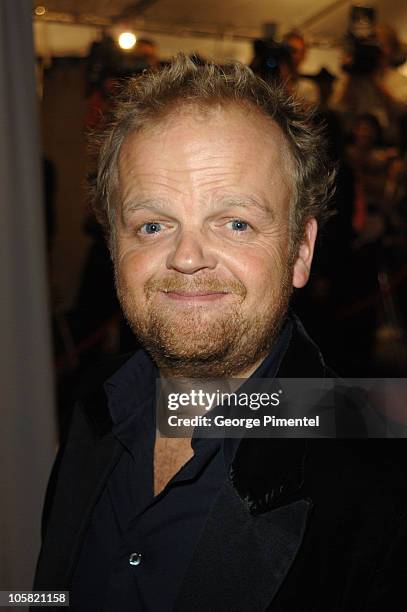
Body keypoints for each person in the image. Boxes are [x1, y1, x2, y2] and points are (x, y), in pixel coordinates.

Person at [33, 55, 406, 611]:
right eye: (152, 225)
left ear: (300, 251)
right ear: (115, 246)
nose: (186, 257)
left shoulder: (381, 487)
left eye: (236, 223)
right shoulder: (97, 408)